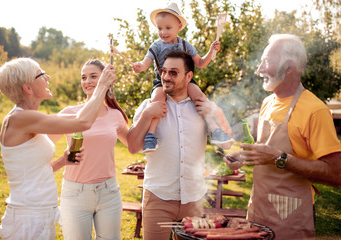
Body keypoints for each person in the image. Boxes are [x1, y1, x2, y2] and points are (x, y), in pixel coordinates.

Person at [224, 34, 341, 239]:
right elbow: (266, 152)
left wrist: (279, 158)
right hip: (258, 210)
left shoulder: (315, 110)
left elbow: (335, 174)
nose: (259, 69)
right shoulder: (267, 103)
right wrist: (244, 157)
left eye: (266, 62)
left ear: (288, 67)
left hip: (291, 216)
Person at [0, 58, 116, 240]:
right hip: (28, 218)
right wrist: (102, 86)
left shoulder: (28, 119)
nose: (48, 77)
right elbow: (82, 122)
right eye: (41, 74)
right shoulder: (20, 119)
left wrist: (62, 161)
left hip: (39, 213)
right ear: (28, 88)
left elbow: (34, 172)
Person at [128, 50, 232, 240]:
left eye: (173, 73)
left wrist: (217, 112)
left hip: (194, 199)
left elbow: (227, 145)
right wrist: (146, 115)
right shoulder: (149, 105)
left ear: (189, 76)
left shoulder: (202, 106)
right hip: (158, 198)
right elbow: (133, 146)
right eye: (164, 72)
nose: (166, 77)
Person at [130, 2, 233, 153]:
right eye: (159, 28)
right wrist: (140, 66)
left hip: (185, 80)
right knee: (157, 99)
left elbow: (200, 63)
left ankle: (214, 129)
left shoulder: (185, 45)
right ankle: (151, 136)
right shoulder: (157, 46)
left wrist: (211, 51)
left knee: (200, 98)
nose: (163, 32)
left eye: (168, 28)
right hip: (161, 81)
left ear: (178, 27)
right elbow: (146, 62)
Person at [49, 59, 129, 240]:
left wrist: (149, 115)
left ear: (105, 79)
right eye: (83, 77)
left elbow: (133, 145)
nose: (87, 81)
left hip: (109, 193)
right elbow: (42, 145)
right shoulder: (70, 114)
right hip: (76, 193)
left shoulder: (115, 115)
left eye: (93, 76)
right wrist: (60, 161)